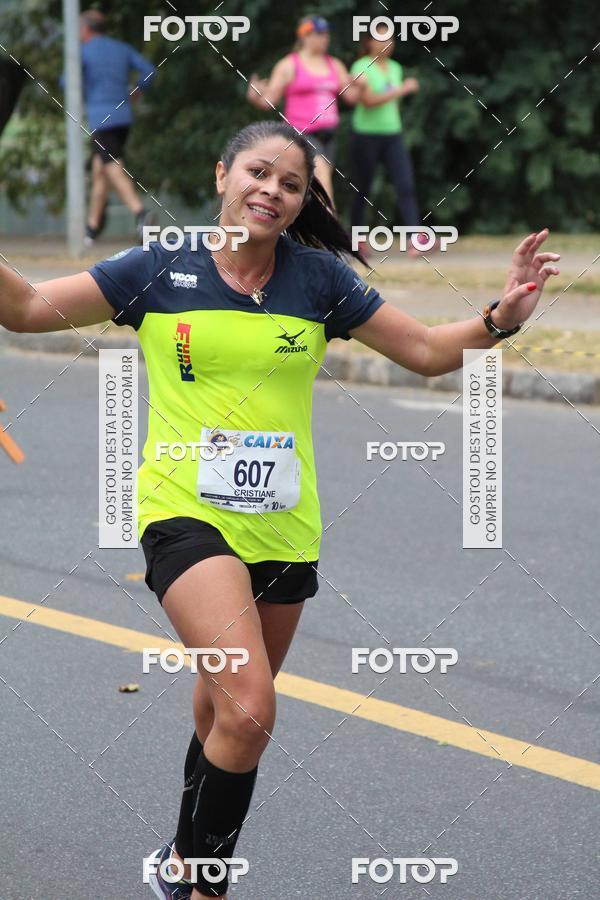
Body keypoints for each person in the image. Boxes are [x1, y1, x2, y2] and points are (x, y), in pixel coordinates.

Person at [0, 119, 560, 898]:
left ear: (302, 203)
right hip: (184, 514)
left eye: (291, 184)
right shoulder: (160, 268)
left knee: (221, 711)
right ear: (224, 173)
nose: (272, 190)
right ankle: (204, 881)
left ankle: (181, 851)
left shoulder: (318, 280)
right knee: (254, 708)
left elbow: (430, 351)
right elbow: (24, 308)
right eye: (258, 173)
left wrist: (503, 315)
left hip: (284, 528)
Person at [246, 15, 360, 203]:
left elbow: (351, 98)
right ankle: (332, 229)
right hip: (302, 133)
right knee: (322, 182)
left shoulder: (334, 64)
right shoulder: (289, 65)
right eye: (320, 34)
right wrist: (254, 96)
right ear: (305, 36)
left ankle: (303, 228)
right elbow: (268, 102)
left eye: (326, 34)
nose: (326, 38)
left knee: (312, 187)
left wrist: (360, 85)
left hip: (328, 135)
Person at [70, 10, 156, 245]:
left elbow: (66, 81)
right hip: (123, 118)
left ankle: (141, 213)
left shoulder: (82, 52)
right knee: (101, 170)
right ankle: (91, 230)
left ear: (85, 30)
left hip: (101, 119)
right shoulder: (121, 48)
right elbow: (149, 71)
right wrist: (138, 90)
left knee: (111, 165)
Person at [350, 20, 426, 256]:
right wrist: (403, 89)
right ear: (370, 42)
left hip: (392, 134)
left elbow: (391, 103)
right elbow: (369, 101)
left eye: (390, 39)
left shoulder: (395, 68)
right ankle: (356, 239)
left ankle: (415, 238)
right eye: (381, 39)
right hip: (365, 135)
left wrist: (398, 92)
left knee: (405, 184)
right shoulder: (360, 66)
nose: (387, 44)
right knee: (361, 187)